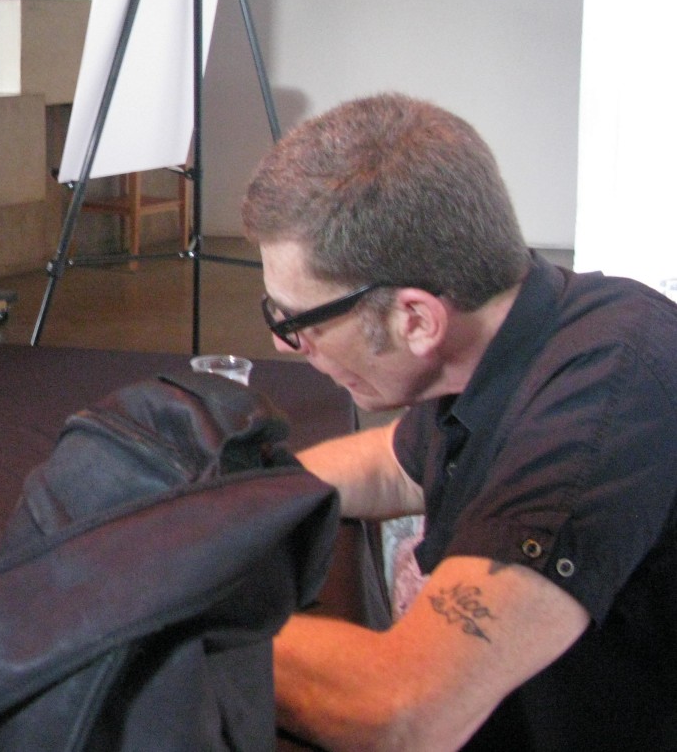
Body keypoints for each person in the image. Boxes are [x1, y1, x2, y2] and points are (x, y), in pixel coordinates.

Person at [240, 93, 677, 750]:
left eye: (298, 320)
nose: (281, 343)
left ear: (416, 319)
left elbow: (404, 710)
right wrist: (233, 501)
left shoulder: (602, 404)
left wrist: (151, 609)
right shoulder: (516, 335)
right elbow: (394, 463)